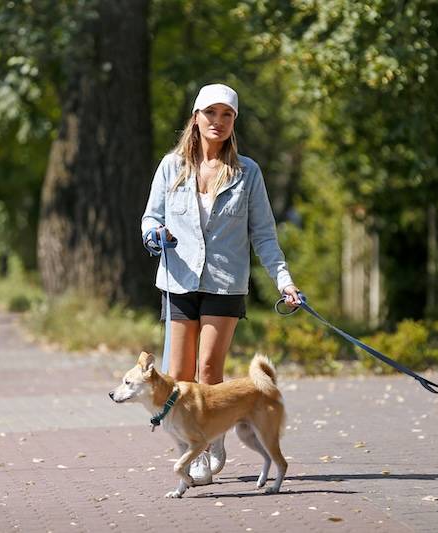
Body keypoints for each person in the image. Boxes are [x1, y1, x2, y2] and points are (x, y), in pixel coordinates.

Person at [141, 83, 302, 485]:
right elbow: (149, 219)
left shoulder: (247, 172)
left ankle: (211, 440)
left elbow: (264, 234)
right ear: (195, 118)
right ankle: (188, 451)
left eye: (226, 115)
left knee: (209, 369)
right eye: (210, 113)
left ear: (234, 122)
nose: (218, 121)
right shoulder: (171, 166)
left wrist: (285, 282)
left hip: (225, 284)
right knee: (176, 374)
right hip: (179, 279)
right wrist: (154, 235)